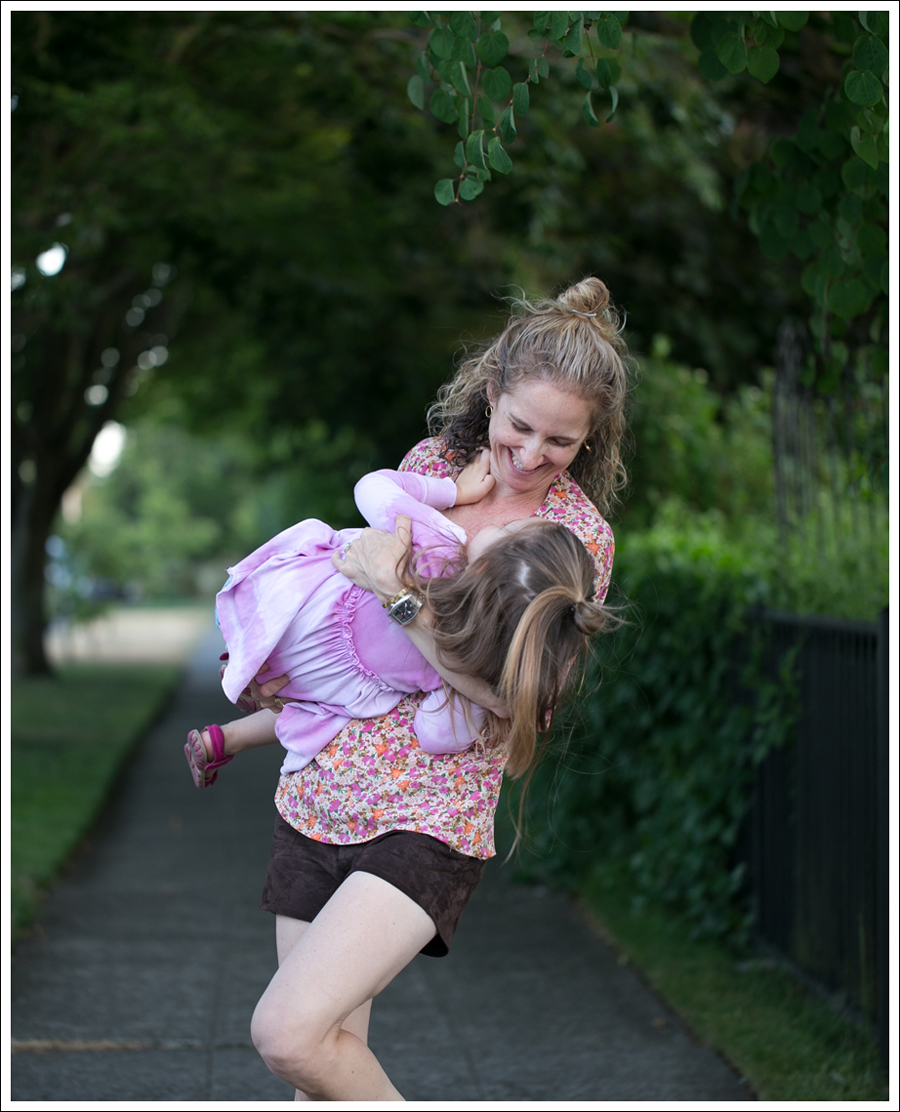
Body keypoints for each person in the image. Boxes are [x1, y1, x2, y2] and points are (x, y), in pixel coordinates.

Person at [248, 277, 630, 1100]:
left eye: (559, 443)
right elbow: (356, 609)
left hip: (430, 814)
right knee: (323, 1063)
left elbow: (516, 699)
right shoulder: (432, 469)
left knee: (286, 1033)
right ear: (491, 394)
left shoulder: (575, 542)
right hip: (320, 792)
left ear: (591, 438)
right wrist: (280, 672)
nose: (530, 457)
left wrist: (403, 600)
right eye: (519, 427)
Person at [184, 456, 605, 786]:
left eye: (510, 527)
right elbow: (433, 732)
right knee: (332, 709)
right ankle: (231, 730)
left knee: (325, 697)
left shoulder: (437, 545)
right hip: (316, 676)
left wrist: (451, 491)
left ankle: (235, 704)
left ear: (482, 569)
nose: (501, 520)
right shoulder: (470, 664)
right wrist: (481, 703)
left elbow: (371, 487)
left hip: (287, 609)